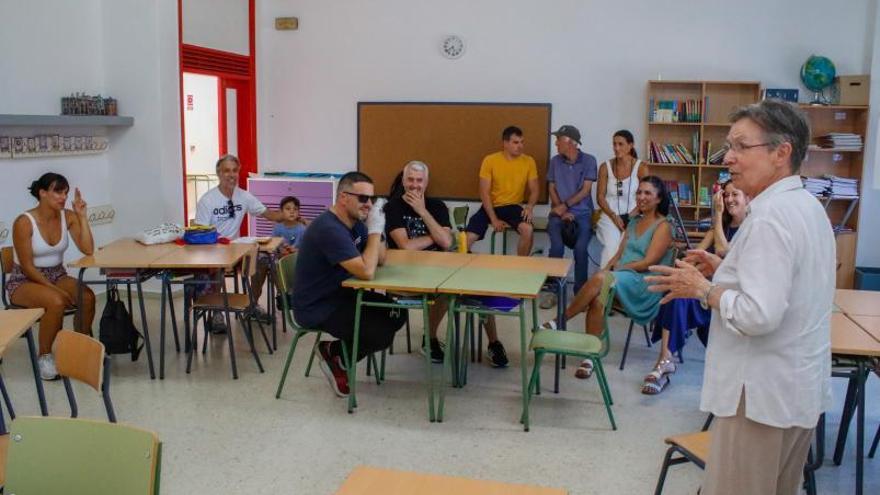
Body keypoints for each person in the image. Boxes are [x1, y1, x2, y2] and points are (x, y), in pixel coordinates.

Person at [646, 100, 833, 495]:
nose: (728, 157)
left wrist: (705, 290)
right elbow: (786, 284)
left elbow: (759, 315)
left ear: (781, 153)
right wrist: (724, 266)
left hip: (760, 398)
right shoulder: (806, 206)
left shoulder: (768, 217)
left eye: (741, 146)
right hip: (795, 391)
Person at [544, 176, 672, 379]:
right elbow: (617, 255)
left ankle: (561, 320)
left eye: (648, 193)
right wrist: (607, 270)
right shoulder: (632, 224)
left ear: (659, 199)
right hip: (622, 277)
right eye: (639, 192)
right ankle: (590, 357)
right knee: (597, 296)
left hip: (644, 283)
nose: (641, 196)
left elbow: (649, 262)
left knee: (603, 279)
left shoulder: (663, 226)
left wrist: (615, 271)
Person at [292, 171, 405, 397]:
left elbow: (380, 259)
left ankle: (333, 352)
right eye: (363, 199)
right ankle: (336, 355)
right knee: (381, 333)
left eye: (372, 199)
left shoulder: (354, 223)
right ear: (344, 197)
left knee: (396, 312)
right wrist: (373, 232)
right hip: (318, 306)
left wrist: (377, 228)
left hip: (342, 294)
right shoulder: (329, 228)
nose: (368, 205)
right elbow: (367, 272)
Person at [641, 180, 750, 395]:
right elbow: (692, 260)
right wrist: (697, 265)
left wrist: (717, 217)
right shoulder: (715, 229)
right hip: (706, 291)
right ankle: (665, 359)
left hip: (731, 299)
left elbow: (722, 253)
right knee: (676, 291)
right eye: (725, 195)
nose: (728, 200)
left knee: (682, 294)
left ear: (749, 198)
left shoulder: (752, 229)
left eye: (734, 194)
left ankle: (665, 361)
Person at [462, 125, 539, 367]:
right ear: (505, 142)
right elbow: (484, 192)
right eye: (516, 142)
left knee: (527, 229)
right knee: (467, 240)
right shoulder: (490, 160)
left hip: (514, 206)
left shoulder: (528, 161)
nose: (520, 146)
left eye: (522, 142)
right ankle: (466, 276)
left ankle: (519, 273)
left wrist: (530, 206)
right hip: (490, 206)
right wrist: (493, 218)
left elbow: (535, 188)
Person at [7, 173, 96, 380]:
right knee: (55, 301)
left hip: (57, 273)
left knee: (87, 297)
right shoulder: (24, 222)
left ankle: (76, 350)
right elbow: (28, 267)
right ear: (43, 193)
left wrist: (82, 217)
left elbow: (88, 249)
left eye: (65, 192)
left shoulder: (68, 216)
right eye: (57, 192)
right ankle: (45, 358)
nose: (63, 197)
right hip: (24, 280)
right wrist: (56, 290)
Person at [194, 154, 284, 328]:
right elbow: (201, 234)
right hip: (213, 250)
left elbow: (269, 214)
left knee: (265, 259)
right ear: (219, 173)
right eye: (227, 171)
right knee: (215, 267)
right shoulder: (207, 200)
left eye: (235, 170)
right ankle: (216, 313)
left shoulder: (244, 196)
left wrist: (287, 215)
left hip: (235, 250)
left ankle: (252, 305)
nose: (231, 175)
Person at [383, 161, 453, 363]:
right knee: (440, 288)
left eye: (419, 180)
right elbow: (406, 246)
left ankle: (429, 337)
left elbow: (447, 242)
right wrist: (434, 236)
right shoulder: (392, 207)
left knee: (449, 290)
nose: (415, 185)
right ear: (403, 181)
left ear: (426, 182)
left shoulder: (437, 206)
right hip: (406, 273)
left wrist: (422, 211)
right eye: (410, 180)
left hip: (437, 270)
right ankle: (430, 340)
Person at [545, 125, 598, 306]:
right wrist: (561, 210)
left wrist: (566, 206)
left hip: (582, 214)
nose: (556, 143)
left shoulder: (589, 161)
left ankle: (580, 295)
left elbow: (586, 190)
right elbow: (551, 187)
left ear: (570, 143)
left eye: (559, 139)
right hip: (558, 214)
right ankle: (553, 292)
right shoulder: (555, 161)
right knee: (557, 248)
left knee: (580, 250)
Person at [595, 130, 649, 268]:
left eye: (621, 144)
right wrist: (614, 217)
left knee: (625, 250)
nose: (616, 148)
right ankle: (605, 285)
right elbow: (600, 197)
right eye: (614, 144)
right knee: (611, 248)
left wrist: (630, 216)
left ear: (630, 145)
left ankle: (619, 285)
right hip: (609, 216)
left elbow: (648, 196)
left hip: (633, 217)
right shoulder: (605, 167)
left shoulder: (641, 167)